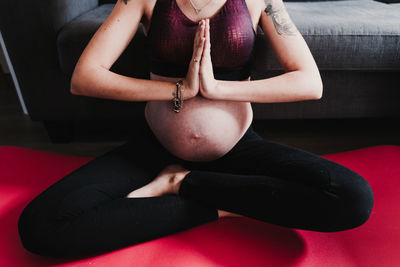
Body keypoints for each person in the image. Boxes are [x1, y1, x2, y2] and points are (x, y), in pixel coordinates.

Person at [17, 0, 374, 258]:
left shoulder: (262, 1)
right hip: (155, 149)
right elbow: (86, 77)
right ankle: (221, 202)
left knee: (353, 198)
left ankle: (182, 184)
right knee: (41, 227)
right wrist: (178, 90)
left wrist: (217, 89)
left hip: (237, 149)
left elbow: (310, 83)